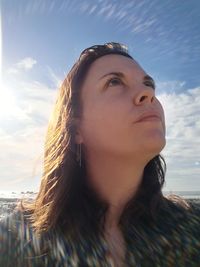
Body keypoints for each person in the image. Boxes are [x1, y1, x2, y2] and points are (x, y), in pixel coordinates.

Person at [0, 42, 200, 267]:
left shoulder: (191, 226)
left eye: (148, 84)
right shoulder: (15, 238)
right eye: (114, 82)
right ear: (75, 129)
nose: (148, 93)